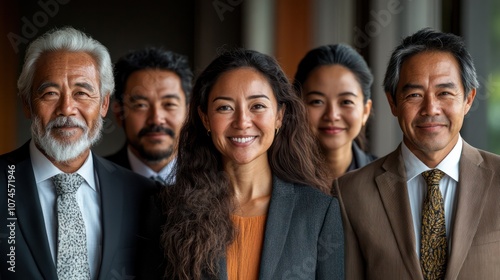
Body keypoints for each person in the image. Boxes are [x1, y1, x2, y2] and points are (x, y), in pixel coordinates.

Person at [137, 49, 344, 279]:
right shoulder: (167, 209)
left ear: (279, 116)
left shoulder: (318, 211)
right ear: (205, 117)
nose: (242, 122)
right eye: (225, 107)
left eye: (257, 106)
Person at [336, 27, 500, 279]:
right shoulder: (351, 192)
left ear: (468, 99)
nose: (430, 108)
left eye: (444, 93)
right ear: (392, 102)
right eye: (414, 95)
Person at [0, 27, 157, 280]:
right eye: (50, 93)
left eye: (82, 93)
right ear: (27, 104)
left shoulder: (143, 195)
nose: (67, 109)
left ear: (104, 104)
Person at [106, 47, 192, 183]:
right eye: (141, 105)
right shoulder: (97, 179)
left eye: (169, 104)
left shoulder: (215, 179)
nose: (156, 119)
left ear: (188, 113)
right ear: (119, 113)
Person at [294, 44, 376, 182]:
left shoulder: (386, 182)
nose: (332, 115)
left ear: (365, 111)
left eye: (346, 102)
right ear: (297, 106)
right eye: (317, 101)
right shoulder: (275, 181)